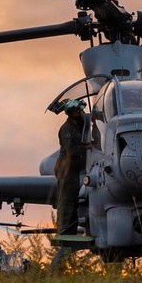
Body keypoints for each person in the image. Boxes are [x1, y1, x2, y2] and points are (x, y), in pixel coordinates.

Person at [54, 99, 90, 235]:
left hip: (72, 168)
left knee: (72, 200)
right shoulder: (67, 129)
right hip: (65, 167)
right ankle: (64, 231)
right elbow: (70, 151)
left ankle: (71, 231)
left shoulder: (76, 126)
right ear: (73, 112)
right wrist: (87, 147)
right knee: (67, 200)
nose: (83, 112)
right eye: (80, 110)